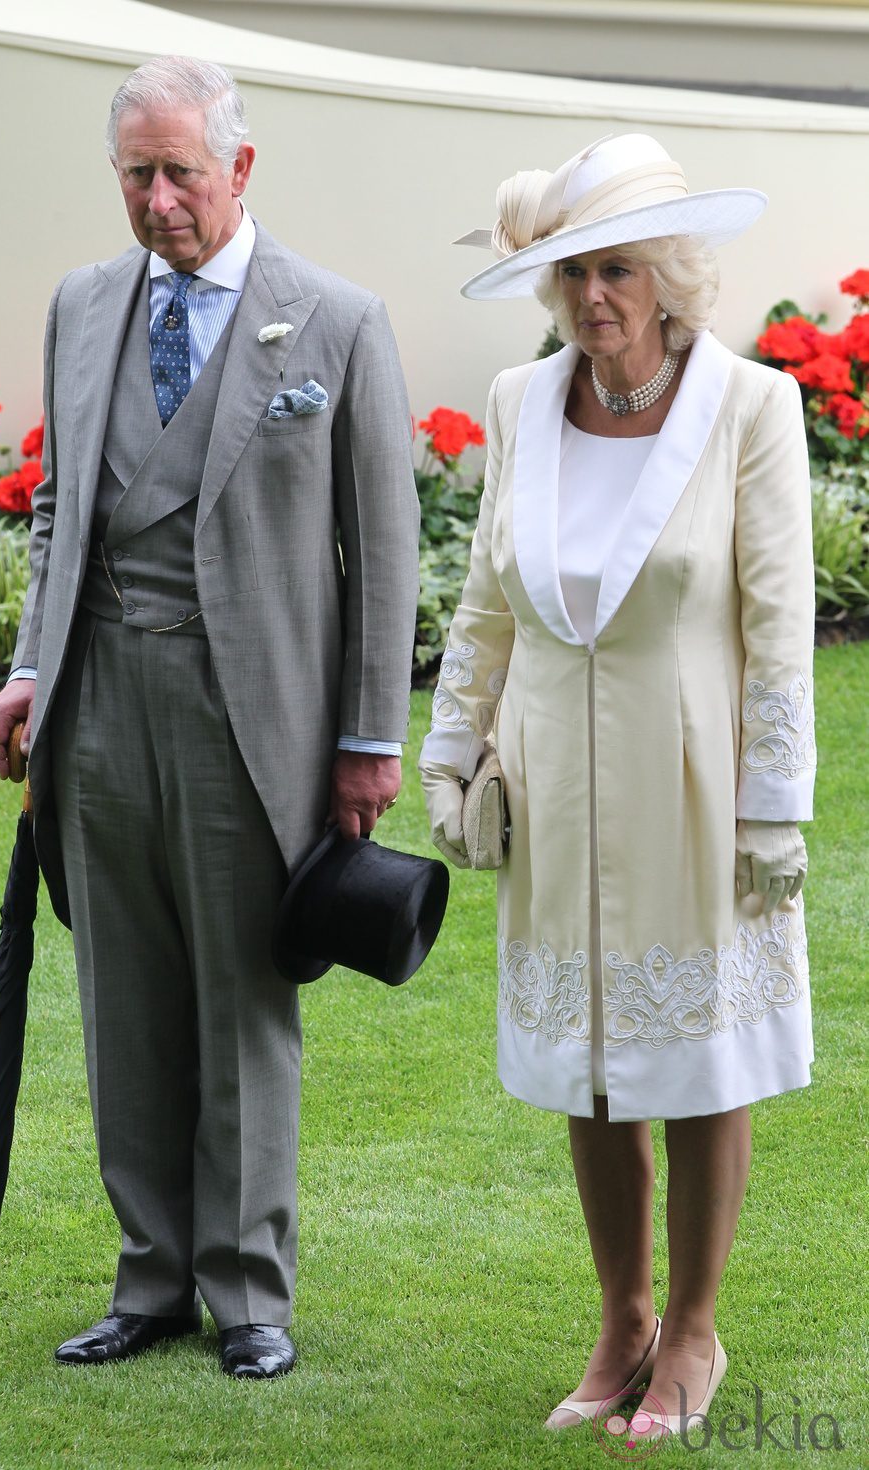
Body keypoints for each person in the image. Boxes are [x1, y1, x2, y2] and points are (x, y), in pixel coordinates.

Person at [0, 55, 419, 1379]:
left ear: (240, 169)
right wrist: (25, 667)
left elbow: (384, 549)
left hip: (257, 718)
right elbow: (60, 508)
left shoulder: (335, 321)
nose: (160, 198)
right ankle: (151, 1277)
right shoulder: (82, 304)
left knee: (244, 997)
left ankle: (248, 1293)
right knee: (123, 998)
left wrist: (366, 738)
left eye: (182, 171)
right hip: (100, 702)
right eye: (137, 174)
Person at [420, 134, 815, 1440]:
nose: (597, 297)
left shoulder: (750, 409)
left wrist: (774, 809)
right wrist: (452, 749)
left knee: (698, 1058)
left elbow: (777, 628)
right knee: (586, 1063)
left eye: (621, 270)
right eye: (575, 271)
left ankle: (695, 1330)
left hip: (696, 787)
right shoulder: (522, 402)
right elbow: (485, 601)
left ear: (672, 278)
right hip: (555, 787)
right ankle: (624, 1315)